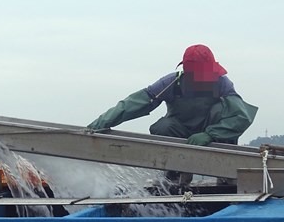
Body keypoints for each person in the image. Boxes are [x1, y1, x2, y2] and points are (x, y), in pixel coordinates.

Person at [87, 44, 258, 183]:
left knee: (221, 110)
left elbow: (241, 117)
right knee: (163, 126)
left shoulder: (222, 83)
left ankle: (226, 175)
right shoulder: (171, 83)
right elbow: (135, 103)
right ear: (189, 72)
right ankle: (174, 174)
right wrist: (102, 123)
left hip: (212, 134)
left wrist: (210, 134)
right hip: (181, 135)